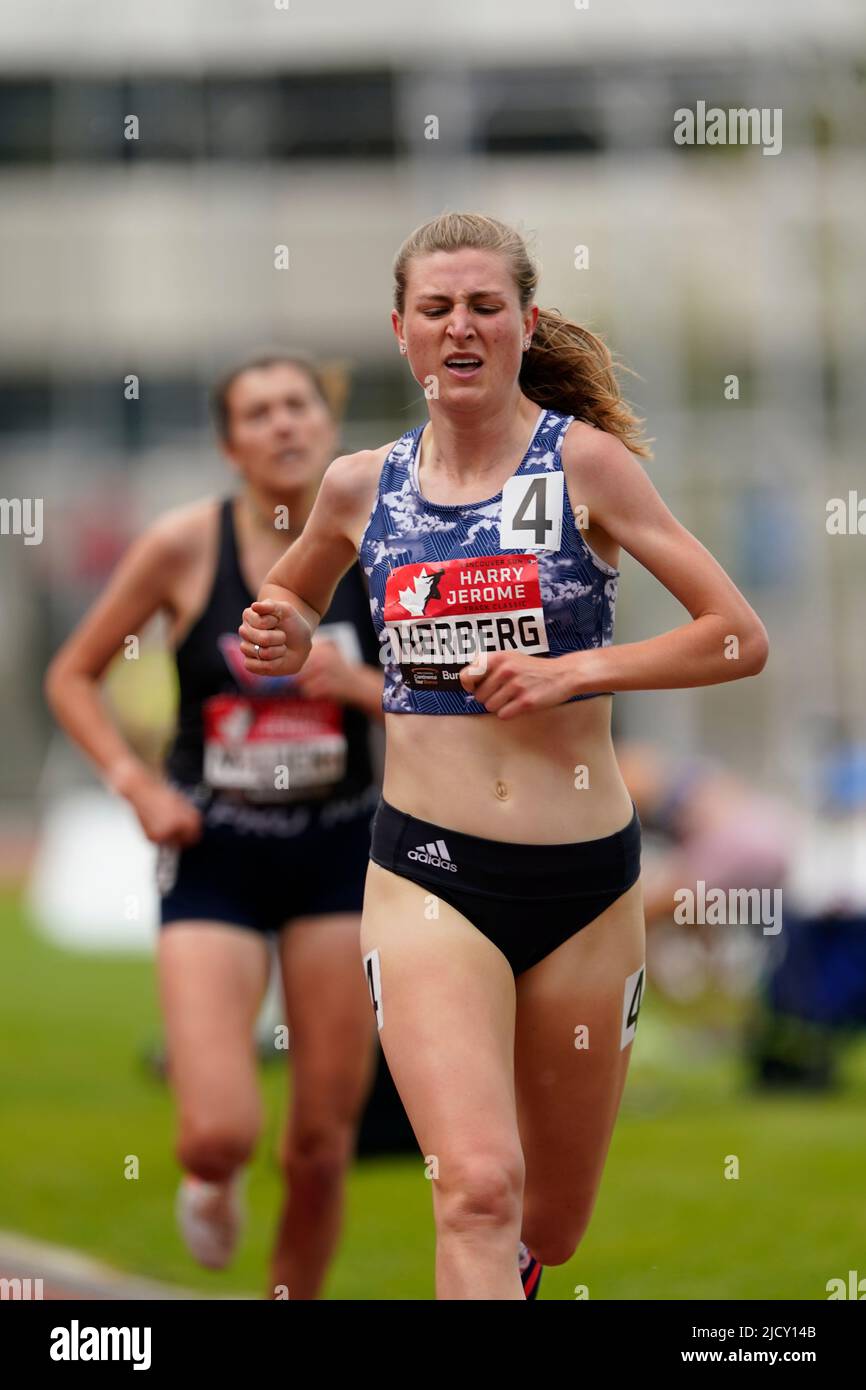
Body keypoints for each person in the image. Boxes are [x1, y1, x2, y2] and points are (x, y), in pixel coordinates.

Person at [239, 213, 770, 1300]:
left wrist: (578, 672)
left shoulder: (586, 467)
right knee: (475, 1187)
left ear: (525, 323)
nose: (460, 327)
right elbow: (288, 593)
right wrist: (283, 627)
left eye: (485, 305)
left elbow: (735, 635)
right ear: (401, 330)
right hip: (428, 875)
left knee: (549, 1222)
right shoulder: (360, 485)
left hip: (583, 886)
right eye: (436, 308)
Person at [44, 354, 383, 1300]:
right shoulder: (184, 547)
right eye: (258, 413)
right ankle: (211, 1175)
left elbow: (448, 700)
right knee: (220, 1128)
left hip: (339, 856)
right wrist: (135, 785)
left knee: (319, 1143)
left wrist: (352, 681)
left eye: (299, 408)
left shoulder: (385, 544)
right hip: (214, 856)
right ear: (230, 443)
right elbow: (73, 675)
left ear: (328, 427)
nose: (283, 426)